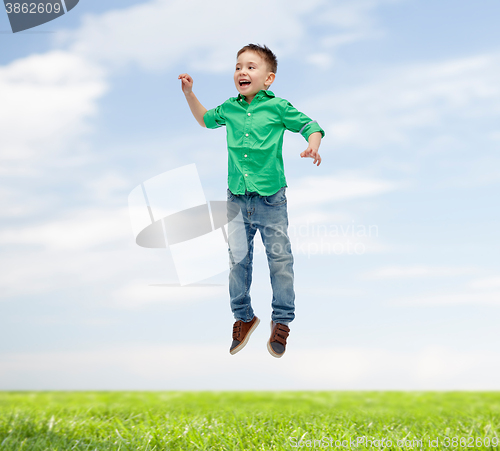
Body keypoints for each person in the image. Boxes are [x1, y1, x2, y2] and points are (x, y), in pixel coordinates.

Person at [179, 44, 324, 358]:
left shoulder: (278, 107)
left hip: (272, 201)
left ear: (268, 78)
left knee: (281, 263)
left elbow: (311, 126)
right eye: (238, 67)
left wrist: (313, 145)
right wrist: (190, 93)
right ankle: (244, 318)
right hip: (236, 201)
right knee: (237, 262)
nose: (242, 72)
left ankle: (282, 320)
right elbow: (205, 120)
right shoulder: (229, 109)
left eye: (250, 67)